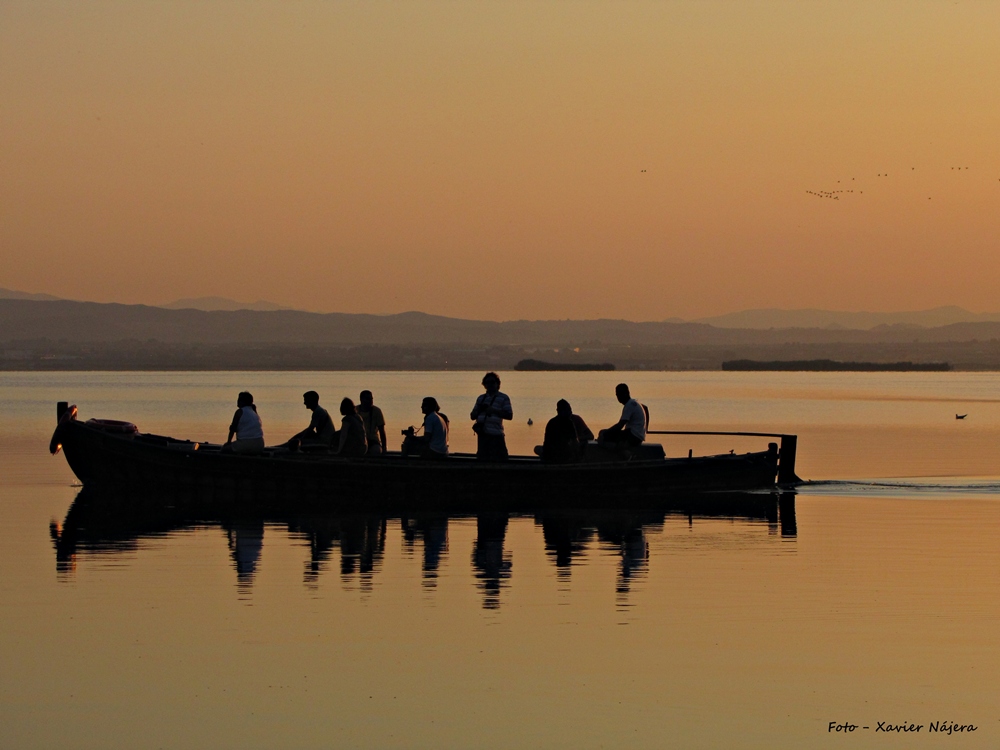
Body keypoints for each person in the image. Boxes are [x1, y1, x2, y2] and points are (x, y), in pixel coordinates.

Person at [470, 372, 513, 461]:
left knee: (501, 460)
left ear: (497, 383)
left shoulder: (504, 398)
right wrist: (479, 410)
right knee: (482, 460)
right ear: (484, 385)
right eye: (487, 382)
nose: (489, 384)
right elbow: (472, 416)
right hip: (482, 436)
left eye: (492, 382)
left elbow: (509, 415)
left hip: (496, 435)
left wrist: (493, 411)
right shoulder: (481, 398)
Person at [598, 383, 646, 451]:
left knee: (603, 434)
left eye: (619, 394)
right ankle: (621, 449)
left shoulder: (629, 405)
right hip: (638, 435)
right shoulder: (634, 403)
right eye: (617, 395)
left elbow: (620, 425)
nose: (618, 397)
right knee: (606, 434)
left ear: (626, 393)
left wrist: (606, 432)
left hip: (633, 436)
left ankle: (622, 453)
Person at [536, 399, 582, 463]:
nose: (571, 412)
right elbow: (574, 442)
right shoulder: (568, 423)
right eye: (568, 410)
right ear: (561, 411)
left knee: (537, 449)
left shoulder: (551, 422)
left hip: (549, 455)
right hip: (562, 456)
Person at [358, 390, 388, 455]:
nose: (370, 401)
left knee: (376, 451)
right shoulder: (356, 411)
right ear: (361, 400)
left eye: (371, 399)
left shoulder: (377, 411)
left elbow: (382, 431)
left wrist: (384, 447)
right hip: (359, 441)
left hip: (373, 441)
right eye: (367, 399)